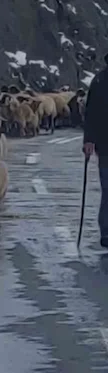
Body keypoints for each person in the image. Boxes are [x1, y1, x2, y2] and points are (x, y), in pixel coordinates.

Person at [83, 53, 108, 248]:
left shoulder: (99, 80)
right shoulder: (100, 81)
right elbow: (91, 111)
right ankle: (106, 233)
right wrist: (89, 140)